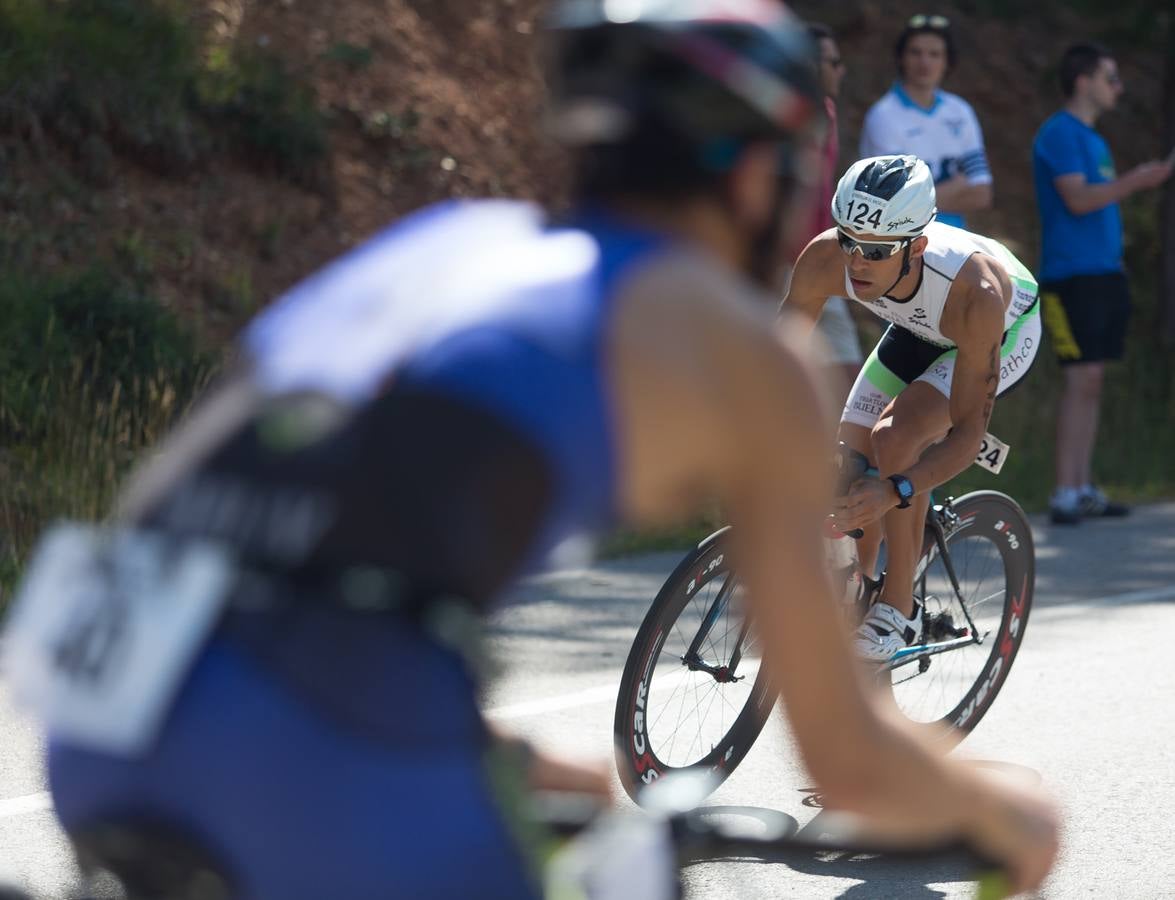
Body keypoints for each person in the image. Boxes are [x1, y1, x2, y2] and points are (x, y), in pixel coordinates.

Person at [3, 4, 1057, 899]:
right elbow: (849, 760)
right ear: (757, 176)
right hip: (320, 730)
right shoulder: (741, 356)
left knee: (584, 796)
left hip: (102, 701)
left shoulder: (440, 244)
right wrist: (1006, 812)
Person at [784, 154, 1041, 666]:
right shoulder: (826, 258)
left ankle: (899, 608)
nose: (855, 261)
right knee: (846, 461)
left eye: (874, 251)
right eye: (847, 239)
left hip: (992, 335)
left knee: (895, 441)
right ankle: (859, 590)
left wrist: (896, 487)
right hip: (917, 325)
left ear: (917, 245)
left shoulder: (976, 292)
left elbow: (968, 436)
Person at [1033, 42, 1173, 525]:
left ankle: (1082, 485)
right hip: (1069, 277)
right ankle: (1063, 492)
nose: (1118, 87)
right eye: (1110, 78)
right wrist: (1138, 181)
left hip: (1103, 273)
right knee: (1081, 379)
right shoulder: (1060, 134)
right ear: (1083, 81)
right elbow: (1078, 199)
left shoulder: (1095, 139)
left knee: (1093, 383)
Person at [859, 13, 992, 229]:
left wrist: (920, 197)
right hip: (898, 241)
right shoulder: (883, 115)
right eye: (915, 52)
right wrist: (958, 185)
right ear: (901, 57)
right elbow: (894, 202)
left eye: (934, 54)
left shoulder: (961, 111)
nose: (925, 62)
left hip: (954, 241)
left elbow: (982, 194)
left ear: (947, 61)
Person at [806, 21, 864, 401]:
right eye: (833, 61)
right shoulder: (789, 112)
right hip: (782, 265)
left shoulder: (826, 110)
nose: (840, 70)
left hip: (823, 259)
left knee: (851, 378)